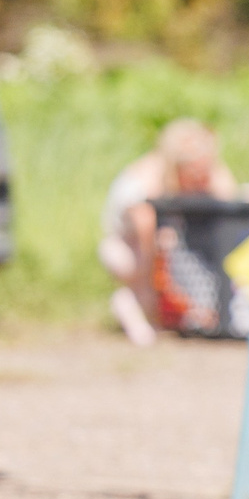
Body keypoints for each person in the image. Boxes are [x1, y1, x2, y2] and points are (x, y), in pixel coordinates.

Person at [98, 118, 239, 346]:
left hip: (175, 247)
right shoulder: (147, 179)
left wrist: (212, 173)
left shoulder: (203, 170)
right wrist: (152, 280)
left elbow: (230, 200)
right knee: (154, 260)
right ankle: (138, 308)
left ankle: (164, 314)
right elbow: (144, 226)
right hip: (132, 248)